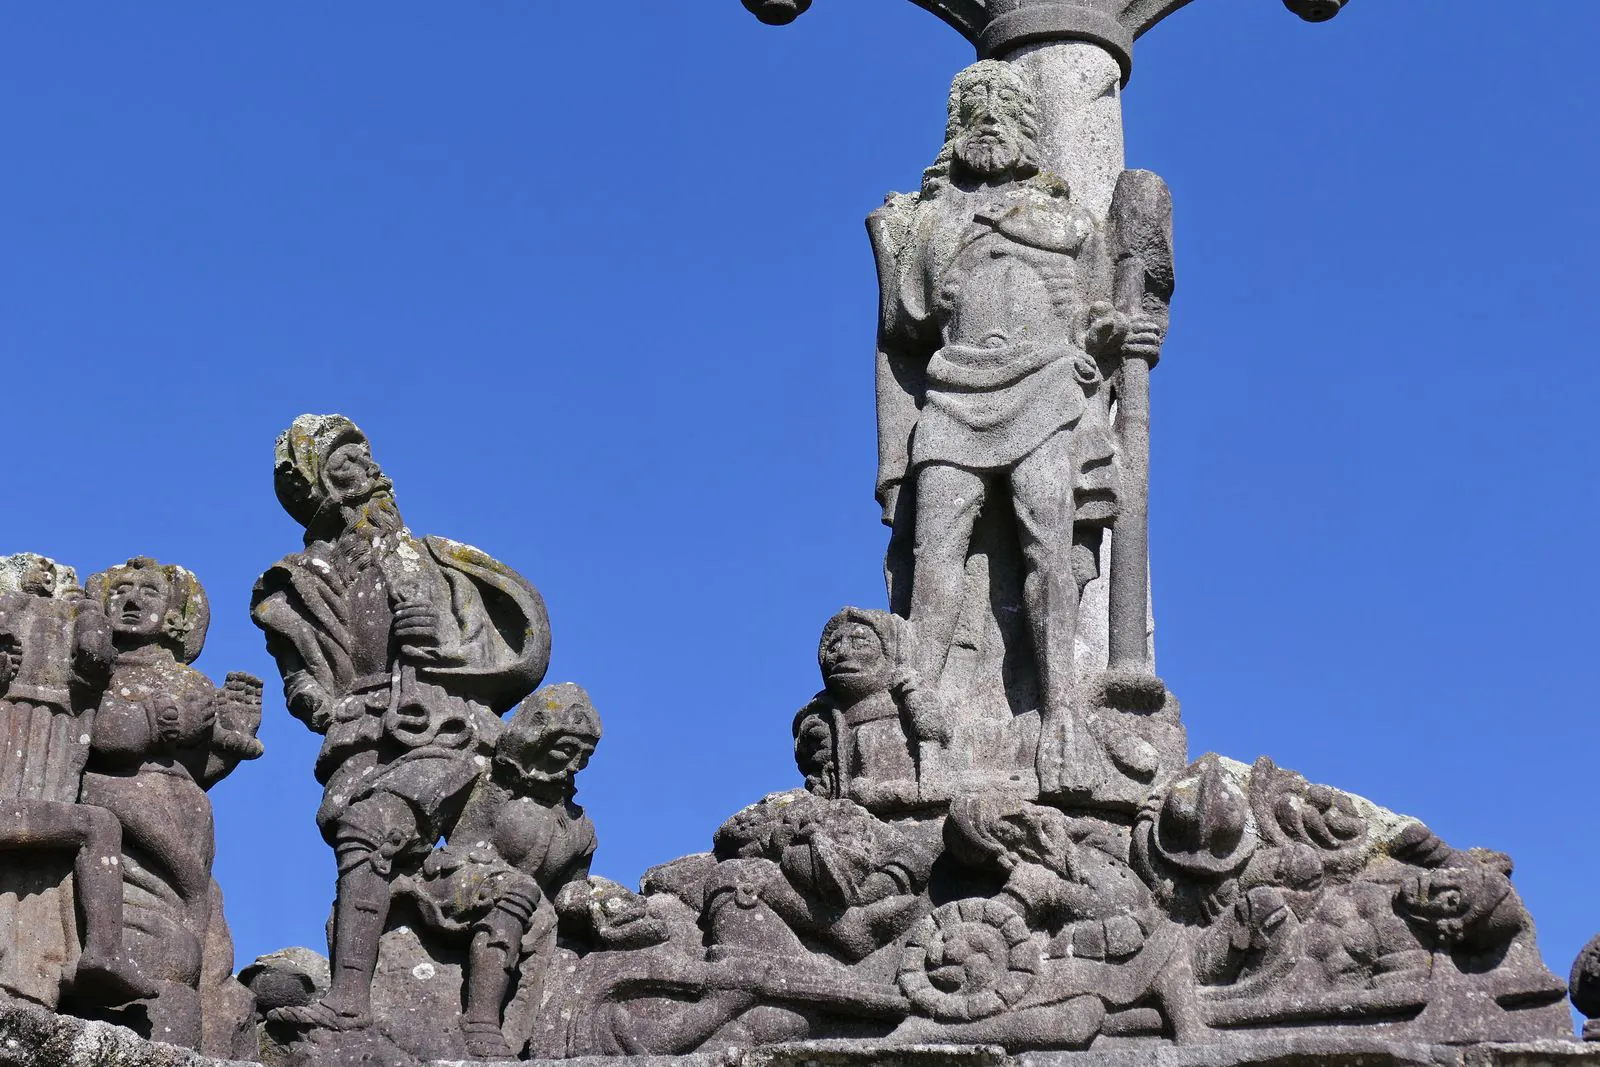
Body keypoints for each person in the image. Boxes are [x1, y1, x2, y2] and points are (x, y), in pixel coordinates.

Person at [867, 60, 1163, 797]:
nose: (990, 119)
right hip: (956, 391)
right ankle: (917, 696)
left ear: (1028, 125)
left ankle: (1062, 709)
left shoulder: (1066, 219)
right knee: (935, 546)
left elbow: (1096, 314)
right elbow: (911, 317)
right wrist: (904, 236)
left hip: (1045, 389)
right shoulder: (934, 218)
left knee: (1049, 548)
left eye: (1004, 105)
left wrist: (1126, 332)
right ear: (956, 126)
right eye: (976, 106)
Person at [251, 414, 551, 1036]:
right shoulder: (294, 585)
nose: (370, 477)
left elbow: (506, 640)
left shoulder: (430, 560)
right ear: (318, 493)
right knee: (365, 845)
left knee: (370, 830)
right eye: (344, 467)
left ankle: (353, 1003)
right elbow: (298, 677)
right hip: (358, 730)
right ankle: (398, 992)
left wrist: (443, 646)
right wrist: (318, 704)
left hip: (446, 727)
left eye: (366, 460)